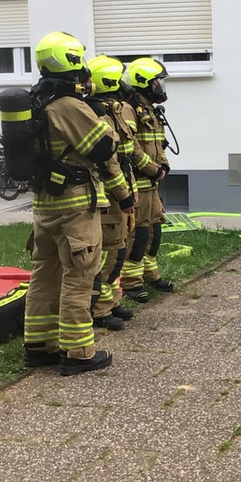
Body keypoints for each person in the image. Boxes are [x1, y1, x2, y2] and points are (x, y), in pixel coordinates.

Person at [21, 31, 127, 376]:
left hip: (45, 203)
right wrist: (94, 114)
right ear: (70, 60)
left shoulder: (37, 101)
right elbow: (104, 146)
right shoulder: (68, 105)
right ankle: (79, 351)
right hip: (75, 203)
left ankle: (39, 344)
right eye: (79, 59)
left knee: (45, 273)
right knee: (79, 274)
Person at [84, 55, 137, 330]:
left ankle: (112, 302)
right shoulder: (99, 115)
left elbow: (128, 152)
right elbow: (109, 161)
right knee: (110, 254)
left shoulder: (114, 110)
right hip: (110, 196)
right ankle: (100, 310)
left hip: (122, 189)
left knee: (119, 251)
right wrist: (123, 193)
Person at [119, 57, 174, 303]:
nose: (160, 87)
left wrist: (163, 166)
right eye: (156, 82)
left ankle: (151, 273)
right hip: (139, 183)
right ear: (143, 83)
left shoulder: (150, 110)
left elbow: (159, 143)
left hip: (152, 184)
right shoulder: (128, 109)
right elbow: (130, 147)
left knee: (155, 231)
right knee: (138, 234)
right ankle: (131, 282)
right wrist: (152, 169)